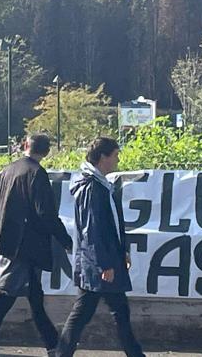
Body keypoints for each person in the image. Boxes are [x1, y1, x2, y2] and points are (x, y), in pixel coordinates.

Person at [0, 133, 73, 357]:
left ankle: (53, 346)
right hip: (27, 248)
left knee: (34, 299)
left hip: (10, 243)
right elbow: (46, 213)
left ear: (24, 146)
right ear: (47, 152)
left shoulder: (9, 170)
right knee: (4, 297)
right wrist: (64, 239)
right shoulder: (37, 174)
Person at [57, 137, 145, 357]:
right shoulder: (92, 188)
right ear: (103, 157)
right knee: (111, 312)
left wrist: (122, 250)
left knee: (90, 312)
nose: (117, 160)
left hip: (99, 261)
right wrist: (105, 263)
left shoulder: (98, 185)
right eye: (115, 155)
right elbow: (93, 229)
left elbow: (110, 224)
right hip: (100, 263)